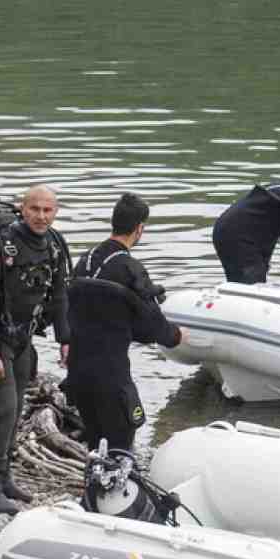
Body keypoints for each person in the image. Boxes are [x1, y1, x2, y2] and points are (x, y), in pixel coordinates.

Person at [0, 184, 71, 516]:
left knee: (17, 408)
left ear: (55, 212)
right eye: (35, 209)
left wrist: (65, 338)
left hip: (22, 340)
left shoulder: (54, 245)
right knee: (4, 411)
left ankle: (5, 476)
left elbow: (58, 295)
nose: (41, 216)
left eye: (48, 210)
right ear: (22, 209)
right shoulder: (0, 246)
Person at [63, 193, 182, 459]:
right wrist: (177, 335)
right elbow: (155, 328)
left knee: (95, 446)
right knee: (121, 445)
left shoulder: (86, 259)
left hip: (78, 373)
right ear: (139, 228)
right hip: (111, 375)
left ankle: (91, 494)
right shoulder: (130, 268)